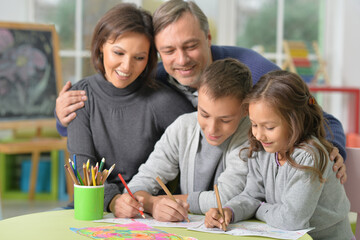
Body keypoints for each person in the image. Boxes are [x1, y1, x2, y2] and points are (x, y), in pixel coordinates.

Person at [55, 0, 347, 180]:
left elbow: (323, 119)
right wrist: (61, 115)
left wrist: (333, 148)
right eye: (168, 50)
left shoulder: (253, 72)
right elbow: (106, 106)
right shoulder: (152, 77)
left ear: (208, 38)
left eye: (191, 45)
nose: (181, 60)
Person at [66, 3, 194, 211]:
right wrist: (114, 201)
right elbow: (82, 166)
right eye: (118, 53)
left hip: (149, 212)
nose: (126, 67)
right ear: (101, 46)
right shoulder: (81, 96)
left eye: (139, 58)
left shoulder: (162, 100)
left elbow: (204, 144)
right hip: (92, 207)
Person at [204, 70, 354, 240]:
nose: (259, 135)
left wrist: (259, 208)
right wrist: (229, 210)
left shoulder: (309, 156)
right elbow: (252, 196)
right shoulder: (262, 150)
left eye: (269, 127)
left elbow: (292, 220)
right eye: (254, 125)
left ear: (295, 121)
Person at [116, 58, 252, 222]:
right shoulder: (183, 127)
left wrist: (161, 201)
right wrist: (151, 203)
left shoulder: (252, 135)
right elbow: (140, 183)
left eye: (225, 120)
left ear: (246, 110)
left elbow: (225, 198)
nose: (212, 129)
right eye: (204, 114)